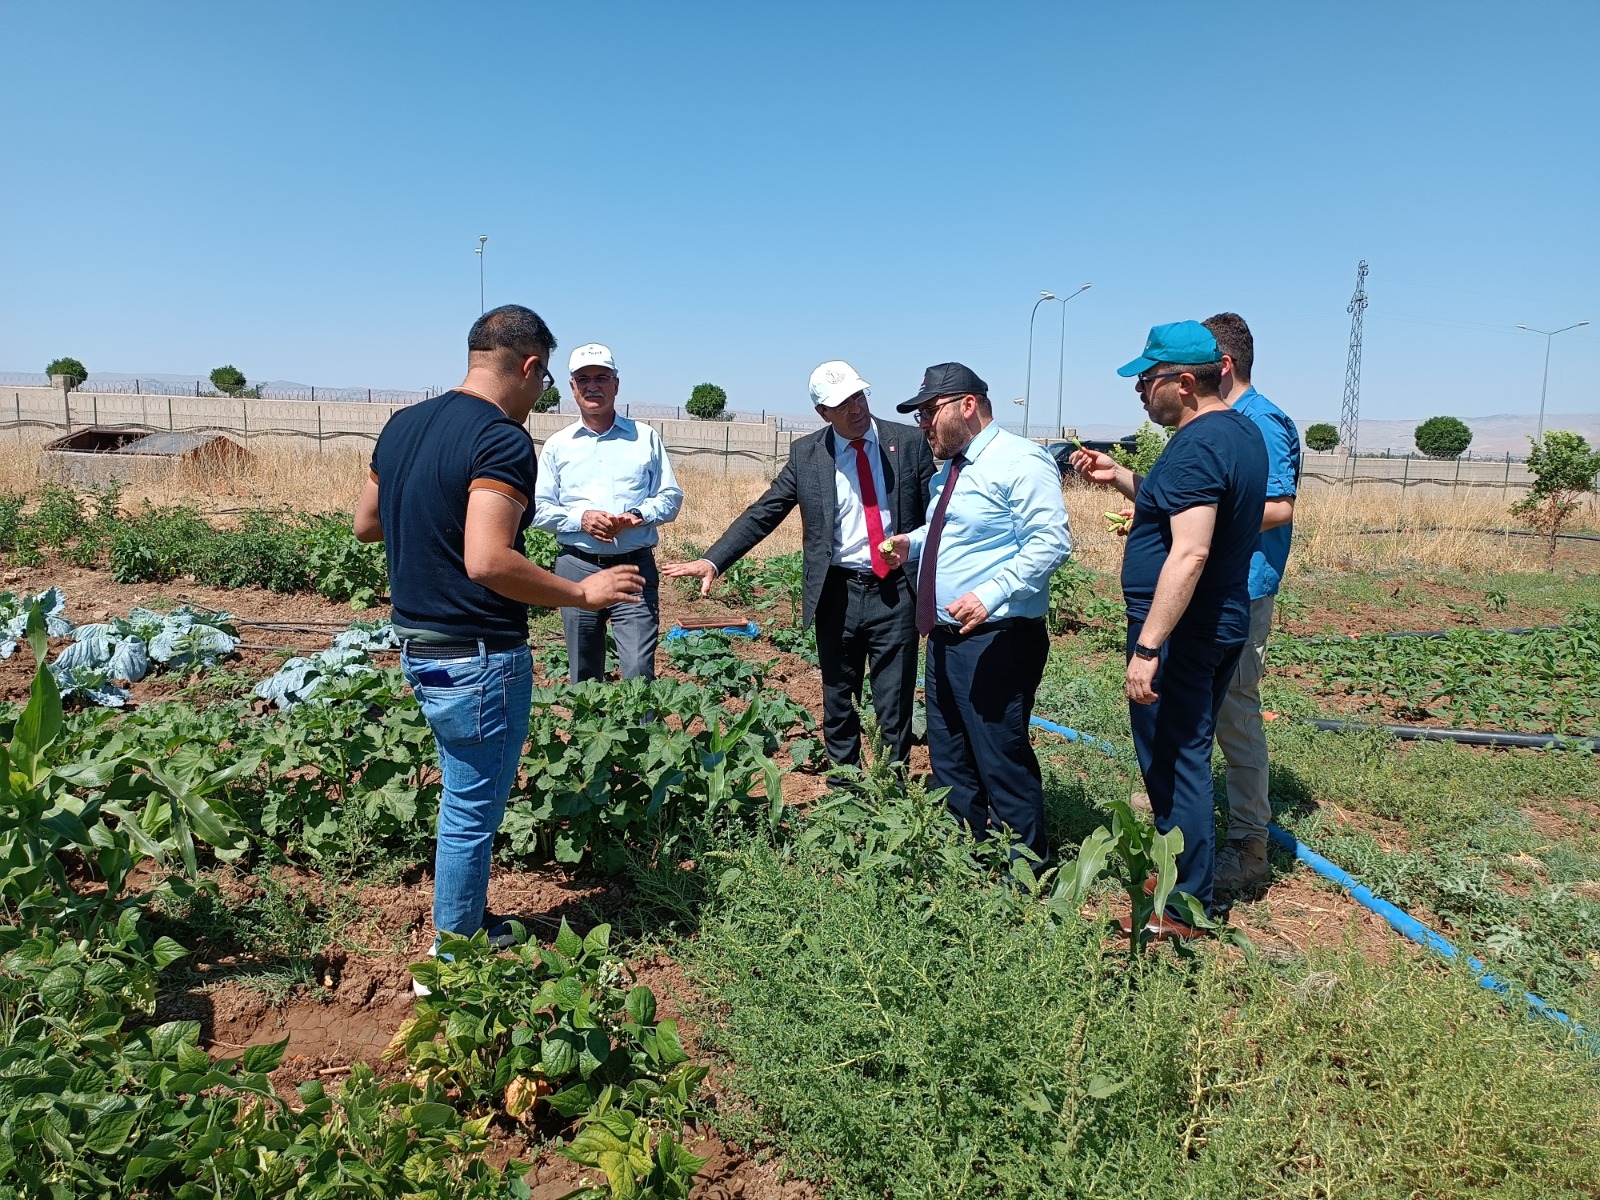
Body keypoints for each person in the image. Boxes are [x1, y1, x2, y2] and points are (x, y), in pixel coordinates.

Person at [354, 305, 643, 975]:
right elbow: (487, 561)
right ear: (533, 366)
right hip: (476, 655)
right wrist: (581, 593)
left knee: (464, 794)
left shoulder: (402, 425)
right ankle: (452, 957)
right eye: (545, 383)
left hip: (420, 646)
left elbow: (367, 524)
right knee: (470, 809)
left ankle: (470, 921)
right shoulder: (501, 438)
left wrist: (425, 519)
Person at [1069, 323, 1265, 936]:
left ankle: (1183, 907)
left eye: (1145, 380)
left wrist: (1149, 646)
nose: (1138, 391)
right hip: (1216, 620)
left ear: (1184, 383)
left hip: (1184, 630)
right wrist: (1124, 477)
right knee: (1181, 752)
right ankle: (1176, 867)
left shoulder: (1199, 443)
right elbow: (1184, 503)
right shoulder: (1238, 433)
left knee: (1177, 757)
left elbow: (1190, 551)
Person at [664, 361, 934, 766]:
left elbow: (942, 511)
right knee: (839, 696)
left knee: (893, 702)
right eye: (842, 404)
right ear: (823, 413)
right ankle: (846, 780)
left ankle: (889, 784)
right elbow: (765, 512)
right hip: (836, 593)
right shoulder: (808, 454)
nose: (856, 409)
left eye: (859, 397)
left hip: (895, 592)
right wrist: (714, 560)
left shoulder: (909, 443)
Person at [882, 363, 1072, 864]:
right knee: (948, 754)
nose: (922, 422)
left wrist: (992, 593)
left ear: (968, 405)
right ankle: (965, 857)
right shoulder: (953, 469)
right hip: (946, 634)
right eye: (919, 413)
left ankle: (1026, 870)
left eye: (929, 411)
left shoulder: (1020, 460)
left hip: (997, 636)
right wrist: (912, 544)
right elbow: (955, 531)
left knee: (998, 755)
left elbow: (1050, 542)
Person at [1203, 313, 1300, 895]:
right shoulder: (1227, 420)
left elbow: (1279, 506)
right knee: (1212, 703)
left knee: (1236, 710)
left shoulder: (1259, 423)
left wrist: (1198, 522)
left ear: (1222, 365)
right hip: (1219, 582)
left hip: (1244, 588)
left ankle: (1248, 841)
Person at [531, 343, 683, 682]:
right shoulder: (559, 444)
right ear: (572, 387)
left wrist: (639, 514)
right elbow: (538, 508)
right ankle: (589, 735)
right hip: (577, 568)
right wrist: (580, 520)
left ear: (616, 384)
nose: (592, 386)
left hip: (633, 568)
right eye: (583, 379)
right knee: (583, 672)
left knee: (638, 672)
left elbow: (671, 497)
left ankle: (641, 735)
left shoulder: (644, 437)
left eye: (601, 377)